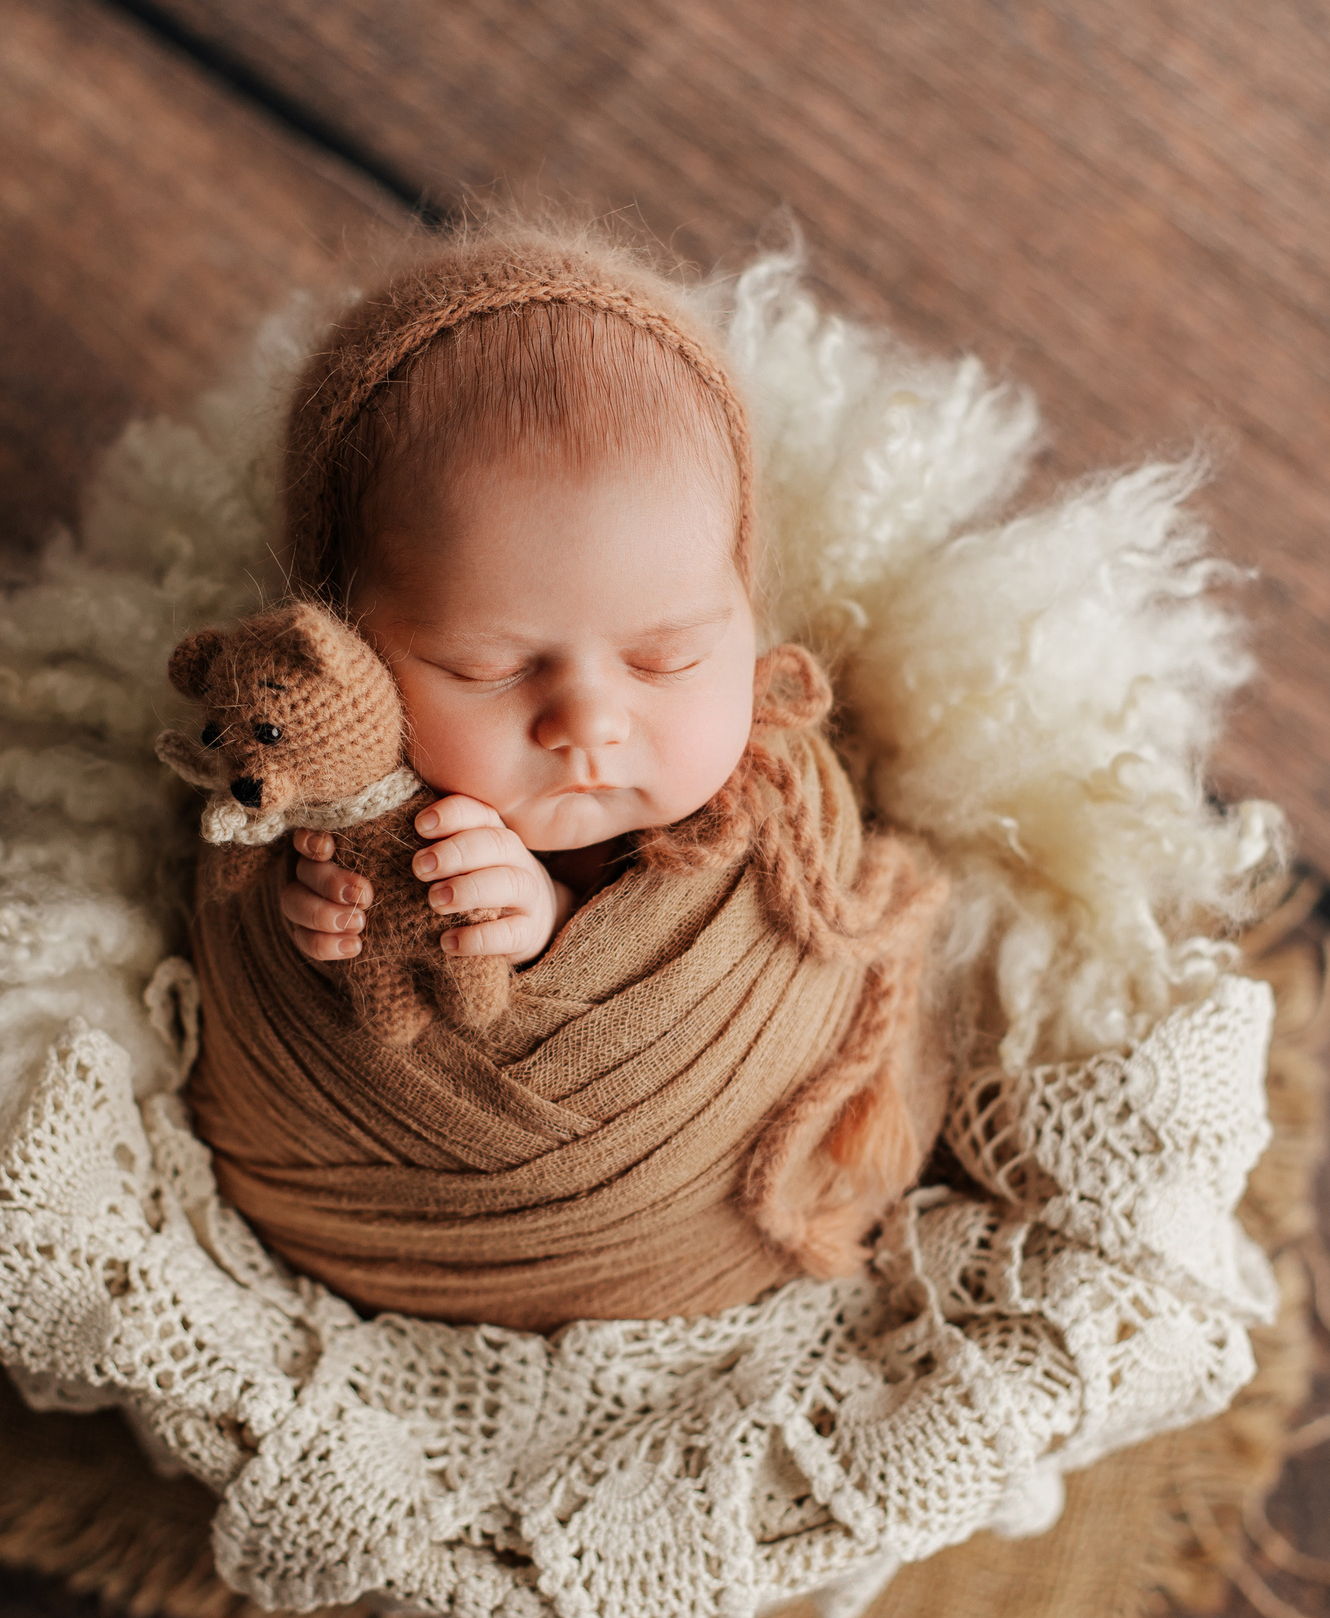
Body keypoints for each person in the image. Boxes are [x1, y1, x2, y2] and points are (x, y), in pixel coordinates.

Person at [179, 233, 948, 1332]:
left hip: (718, 1201)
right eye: (487, 668)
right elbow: (248, 935)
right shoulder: (309, 779)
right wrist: (310, 916)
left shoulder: (776, 817)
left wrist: (545, 923)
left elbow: (815, 987)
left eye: (666, 656)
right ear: (339, 649)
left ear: (747, 617)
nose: (588, 721)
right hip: (396, 1241)